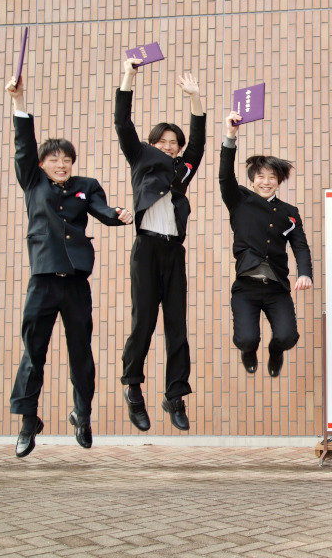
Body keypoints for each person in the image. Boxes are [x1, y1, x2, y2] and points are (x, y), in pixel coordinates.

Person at [5, 76, 133, 457]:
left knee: (81, 353)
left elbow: (101, 209)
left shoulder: (86, 185)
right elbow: (23, 145)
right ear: (42, 164)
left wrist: (117, 214)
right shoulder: (33, 182)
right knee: (34, 352)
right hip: (43, 281)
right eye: (54, 159)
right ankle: (28, 420)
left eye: (66, 159)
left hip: (76, 282)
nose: (61, 164)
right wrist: (19, 101)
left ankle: (83, 414)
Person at [116, 57, 206, 431]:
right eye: (163, 142)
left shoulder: (183, 170)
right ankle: (133, 388)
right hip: (147, 249)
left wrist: (195, 99)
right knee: (144, 322)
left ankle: (175, 396)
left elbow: (198, 144)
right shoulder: (140, 157)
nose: (169, 147)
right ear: (152, 144)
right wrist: (129, 75)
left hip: (173, 251)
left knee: (177, 326)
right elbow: (123, 123)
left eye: (174, 143)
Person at [219, 111, 312, 377]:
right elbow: (225, 177)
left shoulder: (289, 212)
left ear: (279, 182)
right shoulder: (239, 200)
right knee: (246, 339)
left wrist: (304, 273)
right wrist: (230, 137)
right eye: (261, 176)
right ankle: (249, 351)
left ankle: (275, 351)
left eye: (272, 177)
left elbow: (300, 246)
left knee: (287, 337)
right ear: (252, 179)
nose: (266, 182)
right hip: (246, 287)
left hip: (276, 287)